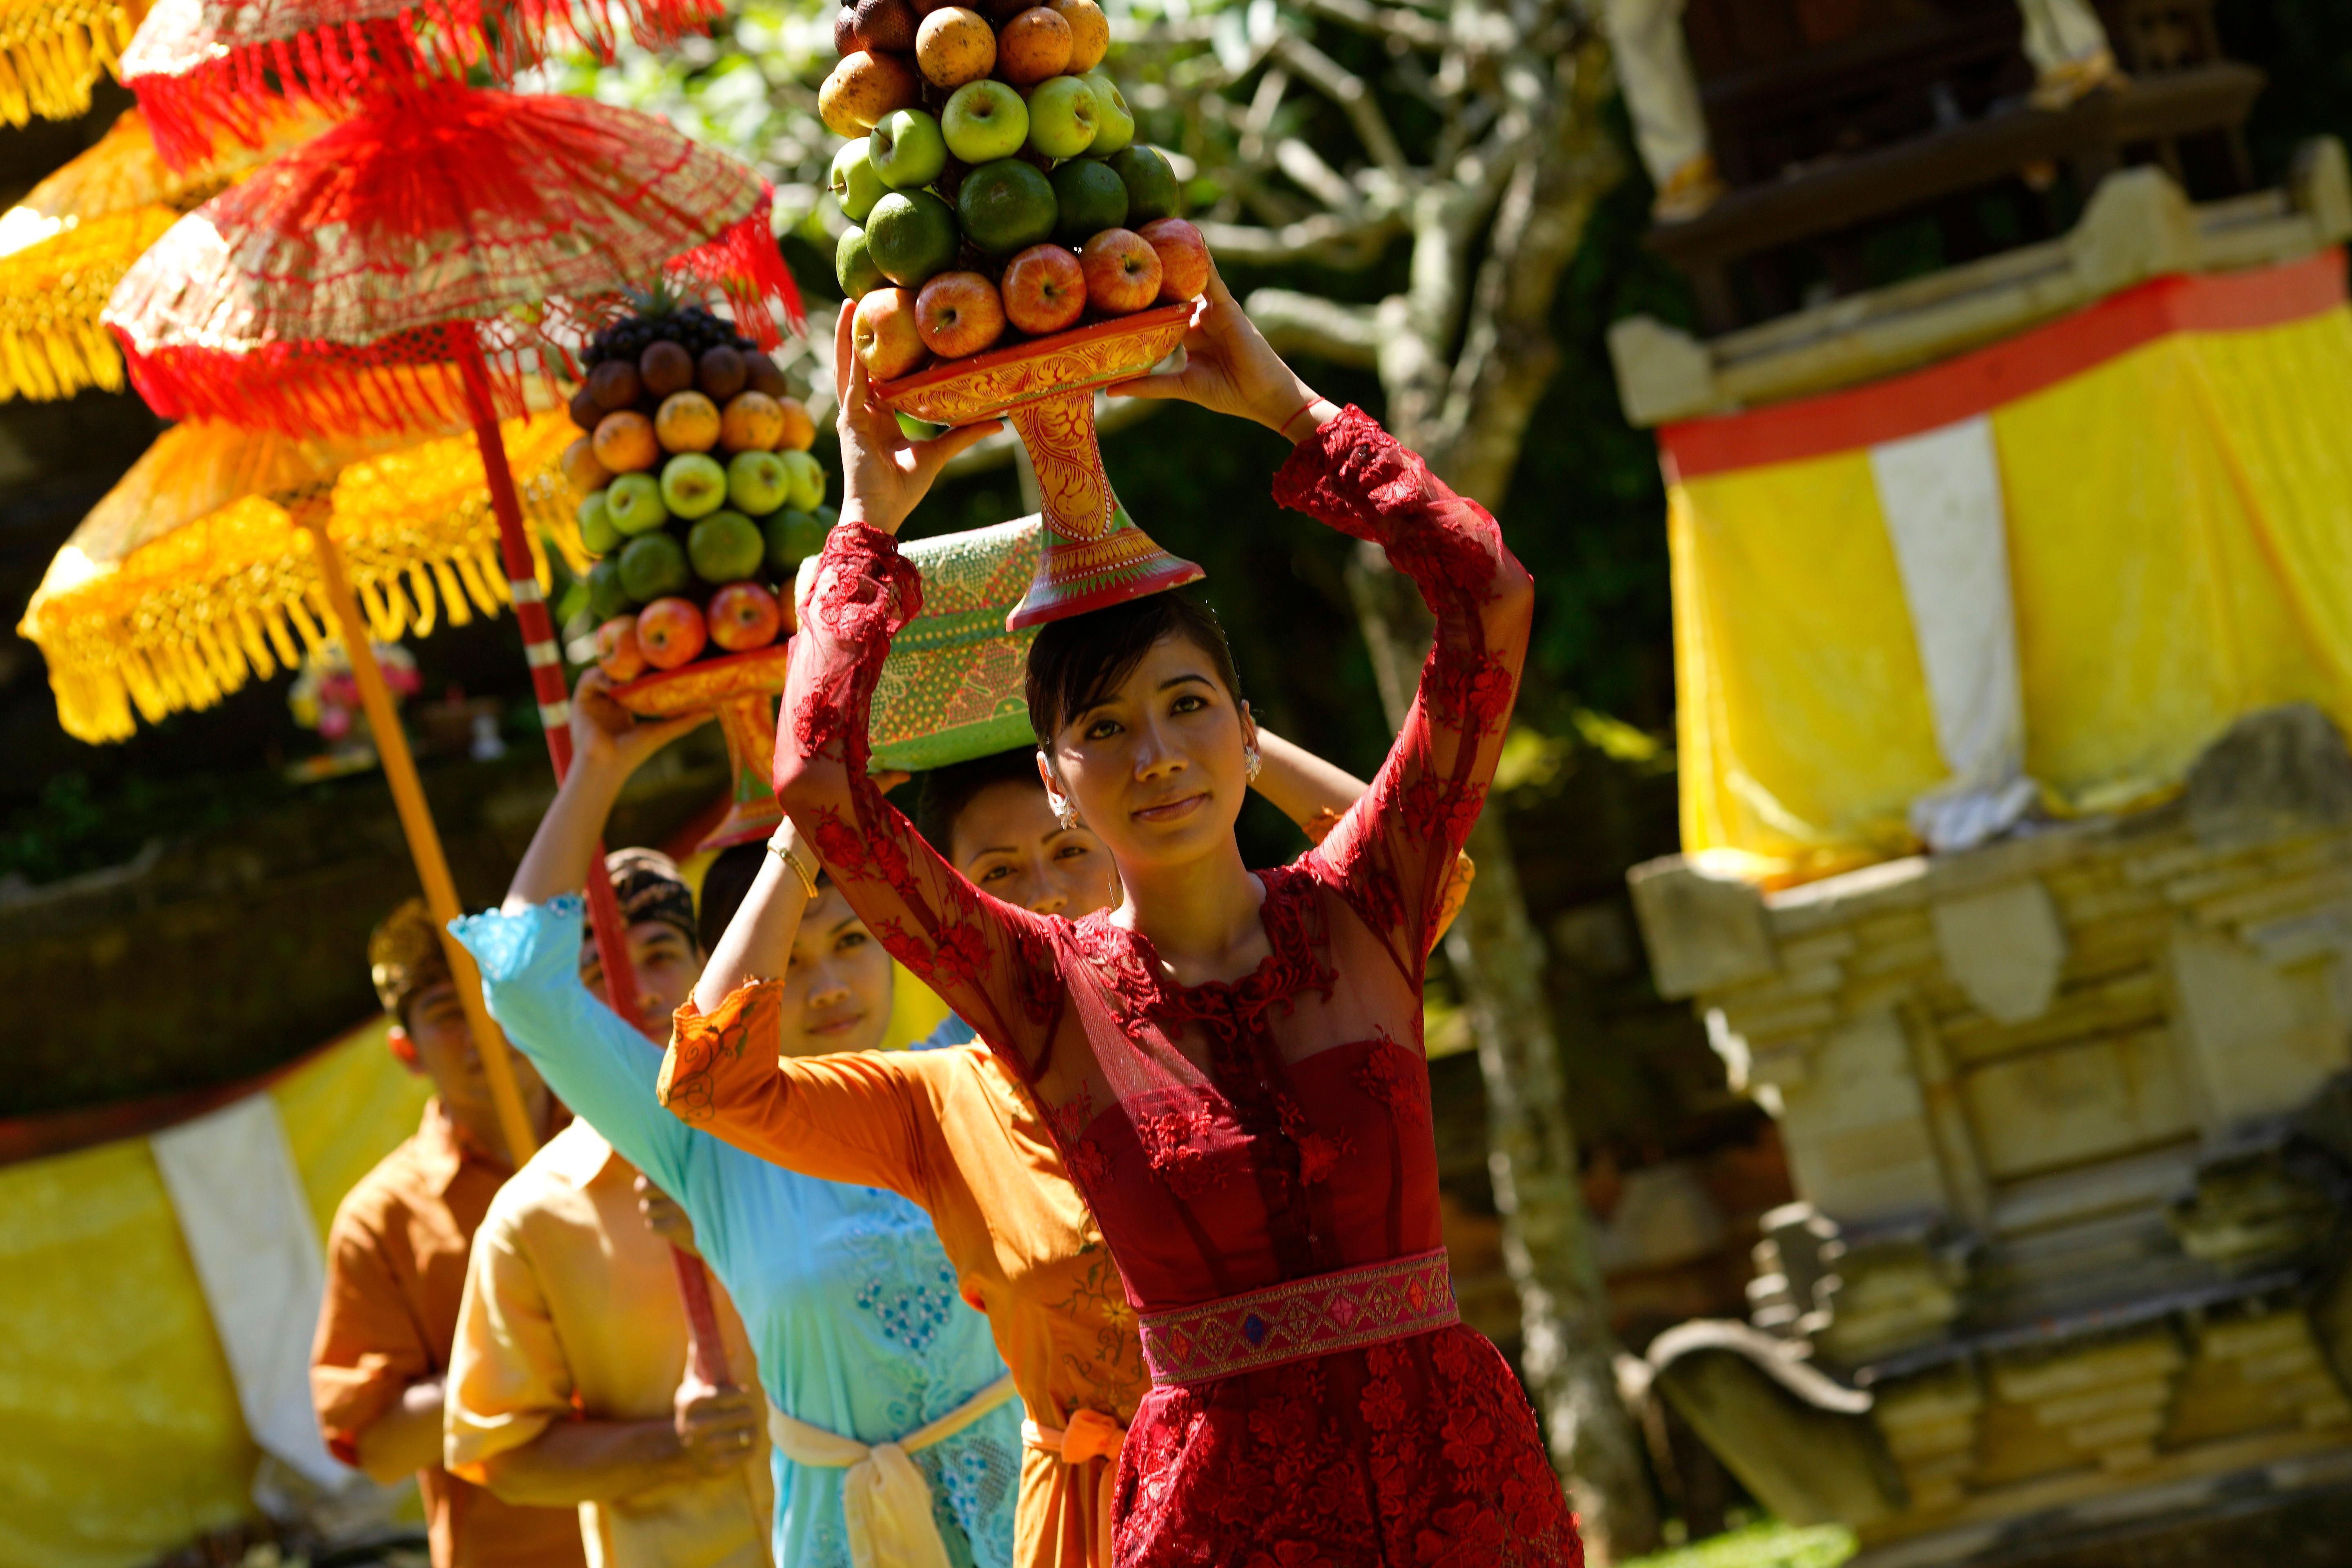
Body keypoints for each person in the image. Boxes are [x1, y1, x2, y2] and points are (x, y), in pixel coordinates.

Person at [704, 272, 1577, 1564]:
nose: (1157, 754)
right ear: (1056, 779)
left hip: (1461, 1489)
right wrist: (863, 524)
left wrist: (1287, 408)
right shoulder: (1041, 990)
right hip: (1226, 1522)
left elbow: (1491, 600)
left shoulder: (1367, 905)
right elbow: (822, 786)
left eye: (1184, 705)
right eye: (1104, 729)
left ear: (1242, 726)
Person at [661, 719, 1430, 1568]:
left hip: (1335, 1479)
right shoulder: (941, 1100)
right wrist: (808, 832)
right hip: (1102, 1520)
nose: (1047, 893)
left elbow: (1415, 877)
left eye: (1068, 849)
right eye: (996, 875)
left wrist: (1220, 731)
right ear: (948, 910)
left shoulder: (1246, 1003)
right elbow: (710, 1082)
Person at [447, 708, 1023, 1568]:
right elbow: (528, 989)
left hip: (1038, 1521)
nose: (826, 986)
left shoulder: (970, 1067)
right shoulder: (704, 1141)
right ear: (736, 970)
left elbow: (1065, 876)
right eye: (790, 959)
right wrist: (598, 766)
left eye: (851, 942)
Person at [443, 850, 774, 1568]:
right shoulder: (532, 1218)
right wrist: (673, 1446)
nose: (641, 996)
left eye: (660, 955)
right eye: (598, 974)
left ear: (706, 962)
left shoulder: (813, 1132)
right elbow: (500, 1453)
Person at [312, 901, 585, 1568]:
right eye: (448, 1013)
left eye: (495, 997)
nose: (485, 1032)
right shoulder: (383, 1219)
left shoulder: (628, 1136)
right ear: (406, 1052)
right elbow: (380, 1448)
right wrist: (522, 1344)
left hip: (694, 1532)